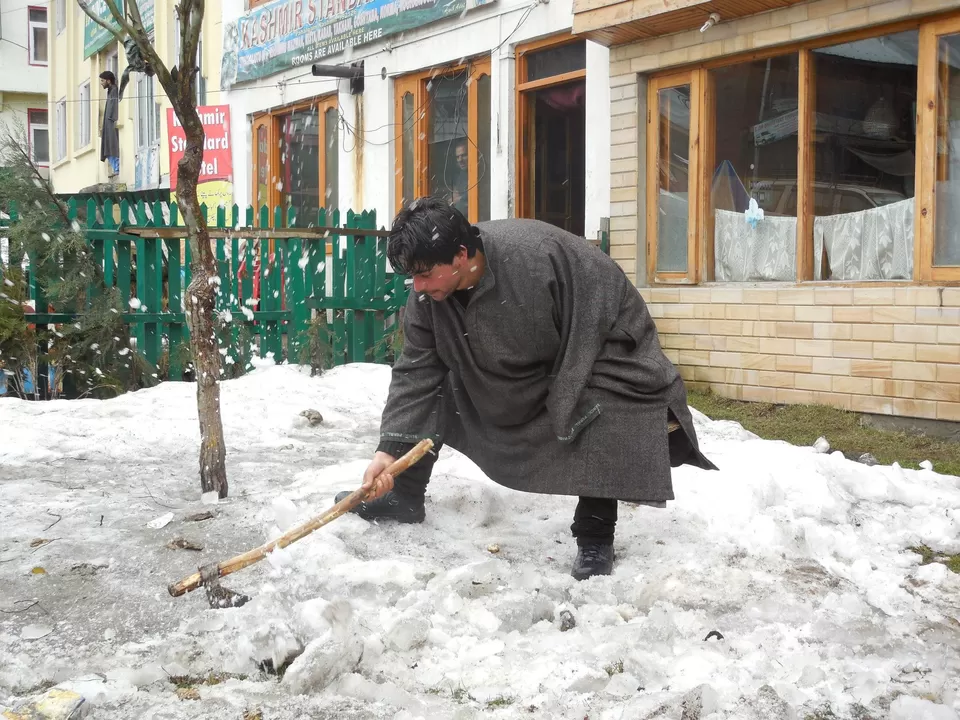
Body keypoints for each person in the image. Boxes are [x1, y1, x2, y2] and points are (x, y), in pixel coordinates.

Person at [335, 198, 717, 580]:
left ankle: (595, 535)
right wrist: (389, 451)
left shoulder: (533, 260)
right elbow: (415, 371)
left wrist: (568, 393)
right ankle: (404, 494)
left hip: (597, 336)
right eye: (411, 277)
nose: (416, 286)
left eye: (424, 274)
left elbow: (601, 311)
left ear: (461, 255)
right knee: (442, 383)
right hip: (515, 367)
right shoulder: (427, 296)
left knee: (602, 401)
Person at [98, 71, 120, 177]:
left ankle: (117, 168)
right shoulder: (111, 91)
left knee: (111, 146)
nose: (101, 83)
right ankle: (115, 168)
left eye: (102, 81)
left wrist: (112, 120)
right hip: (108, 124)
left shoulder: (114, 90)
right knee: (108, 147)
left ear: (108, 80)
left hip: (111, 124)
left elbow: (114, 108)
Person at [448, 139, 469, 217]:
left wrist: (460, 198)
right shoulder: (461, 175)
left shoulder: (480, 173)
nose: (460, 160)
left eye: (464, 155)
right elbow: (454, 194)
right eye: (457, 157)